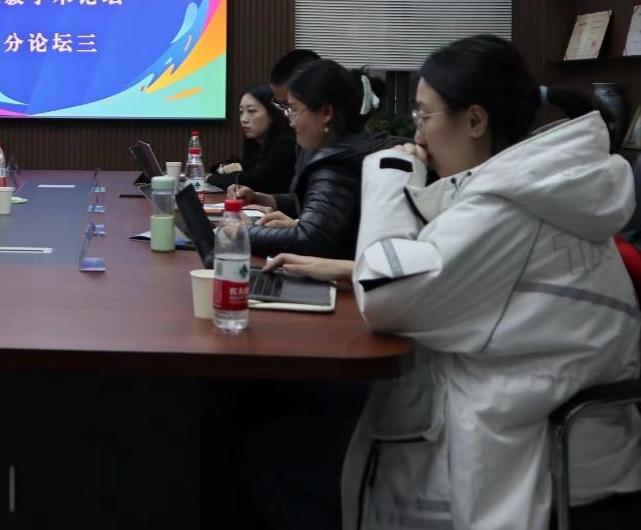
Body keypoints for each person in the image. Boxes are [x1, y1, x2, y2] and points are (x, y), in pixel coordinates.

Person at [262, 35, 641, 528]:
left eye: (424, 115)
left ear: (475, 121)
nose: (417, 134)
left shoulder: (508, 206)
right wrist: (354, 266)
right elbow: (448, 269)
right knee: (288, 424)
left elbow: (387, 297)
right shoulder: (529, 189)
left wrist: (392, 174)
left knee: (274, 454)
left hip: (528, 455)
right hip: (528, 424)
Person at [230, 60, 397, 259]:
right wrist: (263, 199)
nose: (290, 122)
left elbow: (308, 240)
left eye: (294, 110)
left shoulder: (336, 163)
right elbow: (320, 206)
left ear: (326, 113)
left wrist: (239, 232)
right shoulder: (357, 144)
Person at [208, 84, 296, 195]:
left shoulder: (286, 145)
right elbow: (245, 173)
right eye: (241, 112)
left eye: (251, 111)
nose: (244, 119)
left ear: (272, 114)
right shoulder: (257, 144)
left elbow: (253, 182)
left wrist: (211, 178)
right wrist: (223, 169)